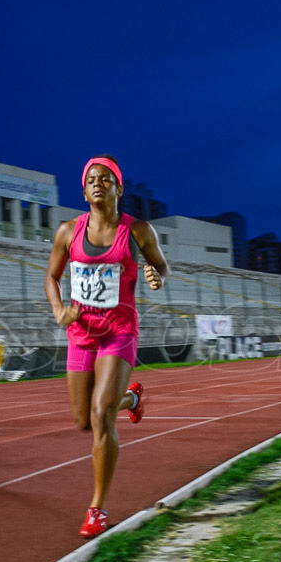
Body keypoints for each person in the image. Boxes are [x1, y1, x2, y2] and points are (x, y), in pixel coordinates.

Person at [44, 155, 170, 539]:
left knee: (101, 413)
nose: (98, 183)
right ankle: (132, 399)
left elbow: (161, 266)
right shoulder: (68, 232)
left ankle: (97, 508)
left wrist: (154, 274)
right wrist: (58, 308)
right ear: (84, 191)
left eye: (106, 178)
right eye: (91, 179)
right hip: (81, 332)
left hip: (119, 330)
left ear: (118, 188)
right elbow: (51, 276)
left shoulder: (138, 231)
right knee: (83, 420)